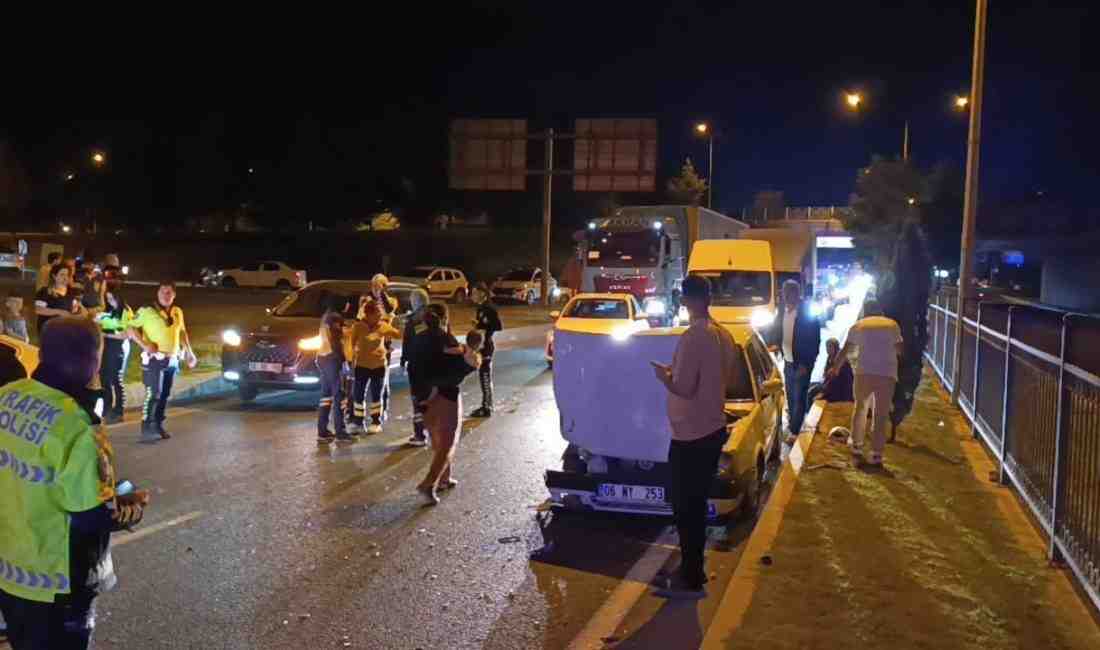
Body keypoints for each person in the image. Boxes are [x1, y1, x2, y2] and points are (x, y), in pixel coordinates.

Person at [0, 316, 149, 649]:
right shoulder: (79, 428)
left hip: (8, 572)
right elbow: (92, 515)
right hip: (57, 585)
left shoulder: (7, 396)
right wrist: (133, 505)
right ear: (92, 361)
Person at [651, 275, 739, 596]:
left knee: (685, 506)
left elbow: (685, 387)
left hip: (691, 433)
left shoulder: (694, 337)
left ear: (687, 299)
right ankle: (693, 570)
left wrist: (665, 377)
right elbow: (716, 378)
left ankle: (689, 577)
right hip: (712, 428)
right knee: (695, 503)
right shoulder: (724, 335)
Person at [412, 303, 479, 505]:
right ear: (445, 318)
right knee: (447, 443)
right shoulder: (445, 338)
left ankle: (444, 477)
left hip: (422, 395)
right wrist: (471, 355)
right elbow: (462, 365)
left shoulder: (418, 335)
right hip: (445, 395)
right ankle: (428, 484)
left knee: (436, 438)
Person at [127, 282, 197, 441]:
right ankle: (146, 426)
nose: (166, 295)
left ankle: (157, 424)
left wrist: (189, 352)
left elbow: (182, 332)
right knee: (154, 393)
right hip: (153, 360)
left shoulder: (177, 311)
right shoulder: (146, 310)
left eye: (169, 293)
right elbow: (130, 328)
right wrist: (144, 345)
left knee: (164, 394)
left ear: (174, 295)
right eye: (163, 292)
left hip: (172, 359)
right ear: (157, 294)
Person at [836, 300, 903, 466]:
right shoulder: (892, 324)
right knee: (881, 413)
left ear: (865, 311)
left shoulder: (859, 325)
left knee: (860, 408)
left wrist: (835, 368)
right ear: (880, 311)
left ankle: (857, 445)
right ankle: (876, 454)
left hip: (864, 372)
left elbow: (846, 349)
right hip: (887, 374)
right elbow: (900, 349)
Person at [767, 279, 821, 444]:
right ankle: (793, 425)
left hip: (801, 363)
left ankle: (795, 430)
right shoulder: (783, 310)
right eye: (783, 293)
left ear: (795, 294)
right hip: (788, 361)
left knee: (799, 396)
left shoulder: (806, 313)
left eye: (787, 293)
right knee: (790, 395)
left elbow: (814, 341)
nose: (784, 297)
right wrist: (774, 344)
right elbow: (777, 329)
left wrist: (807, 363)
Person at [347, 301, 402, 435]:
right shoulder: (358, 327)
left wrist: (402, 325)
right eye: (377, 312)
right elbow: (350, 344)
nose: (380, 315)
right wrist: (350, 360)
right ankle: (358, 422)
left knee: (377, 395)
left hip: (378, 365)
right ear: (368, 314)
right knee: (358, 395)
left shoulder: (383, 326)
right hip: (361, 365)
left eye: (380, 312)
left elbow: (399, 335)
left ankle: (376, 422)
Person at [96, 266, 133, 424]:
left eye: (112, 299)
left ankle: (119, 410)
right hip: (107, 347)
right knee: (104, 378)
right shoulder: (108, 312)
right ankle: (107, 408)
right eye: (107, 298)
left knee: (115, 379)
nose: (110, 301)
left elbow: (126, 334)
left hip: (118, 348)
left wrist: (105, 334)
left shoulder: (126, 312)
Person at [400, 287, 432, 447]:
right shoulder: (436, 315)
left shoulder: (414, 320)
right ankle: (434, 430)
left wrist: (403, 360)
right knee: (431, 398)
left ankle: (419, 434)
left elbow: (408, 342)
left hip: (417, 365)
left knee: (418, 399)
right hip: (433, 363)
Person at [315, 301, 350, 443]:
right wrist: (343, 359)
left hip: (322, 358)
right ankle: (340, 431)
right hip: (333, 359)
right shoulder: (334, 318)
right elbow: (336, 338)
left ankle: (322, 432)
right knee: (339, 395)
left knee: (326, 396)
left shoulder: (325, 317)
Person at [469, 282, 501, 418]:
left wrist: (482, 326)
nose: (472, 296)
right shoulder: (481, 308)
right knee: (483, 375)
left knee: (485, 375)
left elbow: (497, 326)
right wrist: (478, 325)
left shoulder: (489, 308)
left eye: (474, 293)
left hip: (486, 346)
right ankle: (486, 404)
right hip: (482, 345)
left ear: (482, 293)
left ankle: (487, 406)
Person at [35, 264, 82, 335]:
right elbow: (38, 309)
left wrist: (77, 310)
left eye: (67, 275)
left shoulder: (71, 292)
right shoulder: (46, 291)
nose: (65, 278)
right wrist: (59, 312)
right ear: (54, 276)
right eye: (62, 275)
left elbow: (75, 309)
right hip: (48, 331)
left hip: (65, 331)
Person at [807, 338, 854, 404]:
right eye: (826, 347)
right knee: (809, 386)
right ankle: (801, 410)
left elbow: (837, 381)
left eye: (830, 346)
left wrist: (823, 393)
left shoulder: (841, 360)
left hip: (839, 391)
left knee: (812, 393)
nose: (827, 349)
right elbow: (827, 376)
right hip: (829, 385)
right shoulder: (830, 358)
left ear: (836, 347)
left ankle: (806, 411)